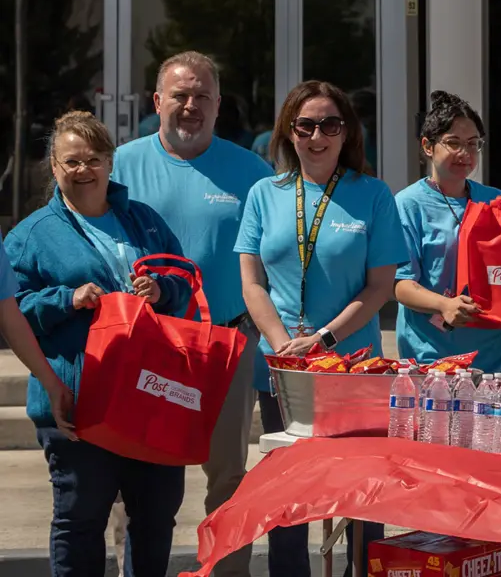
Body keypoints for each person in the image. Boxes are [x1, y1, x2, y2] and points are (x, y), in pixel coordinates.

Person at [110, 51, 273, 577]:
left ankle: (225, 572)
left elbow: (275, 257)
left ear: (218, 104)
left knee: (228, 479)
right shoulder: (122, 165)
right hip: (148, 346)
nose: (190, 106)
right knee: (142, 479)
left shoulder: (252, 171)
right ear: (157, 102)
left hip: (225, 345)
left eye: (202, 95)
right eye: (179, 95)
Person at [8, 111, 191, 577]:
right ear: (53, 166)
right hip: (79, 400)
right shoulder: (30, 235)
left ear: (111, 164)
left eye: (93, 159)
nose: (83, 170)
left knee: (155, 517)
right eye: (71, 161)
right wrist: (65, 299)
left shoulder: (143, 220)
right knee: (80, 520)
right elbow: (10, 311)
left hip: (151, 397)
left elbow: (185, 278)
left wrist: (163, 289)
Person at [238, 81, 408, 577]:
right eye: (306, 125)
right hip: (283, 370)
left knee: (360, 496)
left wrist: (324, 339)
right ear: (289, 132)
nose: (318, 136)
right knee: (288, 495)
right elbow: (251, 282)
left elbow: (380, 287)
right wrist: (283, 348)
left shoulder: (372, 194)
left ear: (346, 132)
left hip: (354, 370)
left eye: (330, 125)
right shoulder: (263, 194)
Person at [394, 90, 501, 372]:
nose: (465, 154)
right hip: (431, 356)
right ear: (428, 146)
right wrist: (444, 305)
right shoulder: (407, 204)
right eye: (454, 143)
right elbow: (400, 284)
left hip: (493, 355)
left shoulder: (496, 200)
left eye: (474, 144)